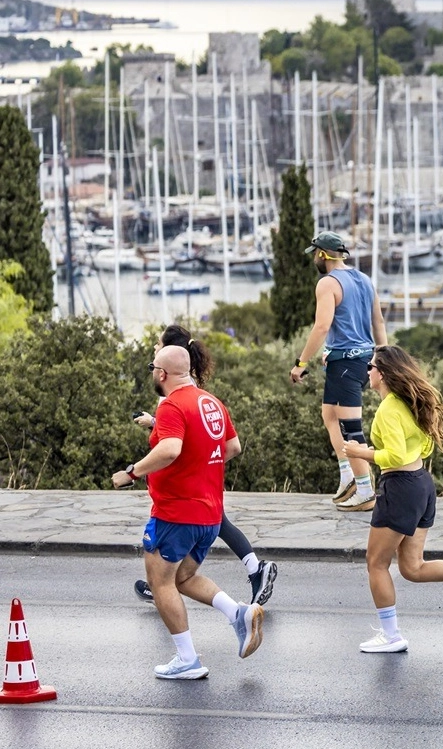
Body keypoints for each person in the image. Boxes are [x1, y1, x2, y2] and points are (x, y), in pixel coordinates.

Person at [111, 345, 265, 680]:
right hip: (209, 515)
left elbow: (169, 449)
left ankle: (187, 660)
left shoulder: (170, 405)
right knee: (182, 578)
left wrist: (132, 472)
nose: (153, 373)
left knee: (160, 581)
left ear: (162, 374)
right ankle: (237, 612)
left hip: (175, 513)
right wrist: (199, 467)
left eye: (154, 368)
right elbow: (233, 448)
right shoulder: (212, 402)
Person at [342, 346, 443, 652]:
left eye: (372, 366)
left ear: (384, 373)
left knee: (376, 563)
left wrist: (358, 452)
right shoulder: (410, 403)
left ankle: (391, 635)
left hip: (400, 486)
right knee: (412, 568)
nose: (368, 372)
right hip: (421, 485)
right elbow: (425, 448)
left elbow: (396, 455)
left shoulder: (389, 409)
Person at [134, 325, 279, 608]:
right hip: (205, 482)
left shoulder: (171, 396)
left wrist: (137, 469)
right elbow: (227, 444)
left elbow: (175, 444)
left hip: (186, 488)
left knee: (175, 533)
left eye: (157, 344)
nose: (154, 348)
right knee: (218, 521)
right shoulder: (200, 394)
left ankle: (163, 586)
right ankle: (253, 570)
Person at [289, 231, 388, 512]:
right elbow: (377, 322)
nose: (314, 261)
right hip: (353, 358)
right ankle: (348, 476)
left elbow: (322, 326)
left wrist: (301, 363)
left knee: (350, 429)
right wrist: (382, 355)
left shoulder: (327, 283)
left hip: (347, 363)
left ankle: (366, 490)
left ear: (322, 254)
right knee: (329, 414)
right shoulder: (364, 280)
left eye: (315, 255)